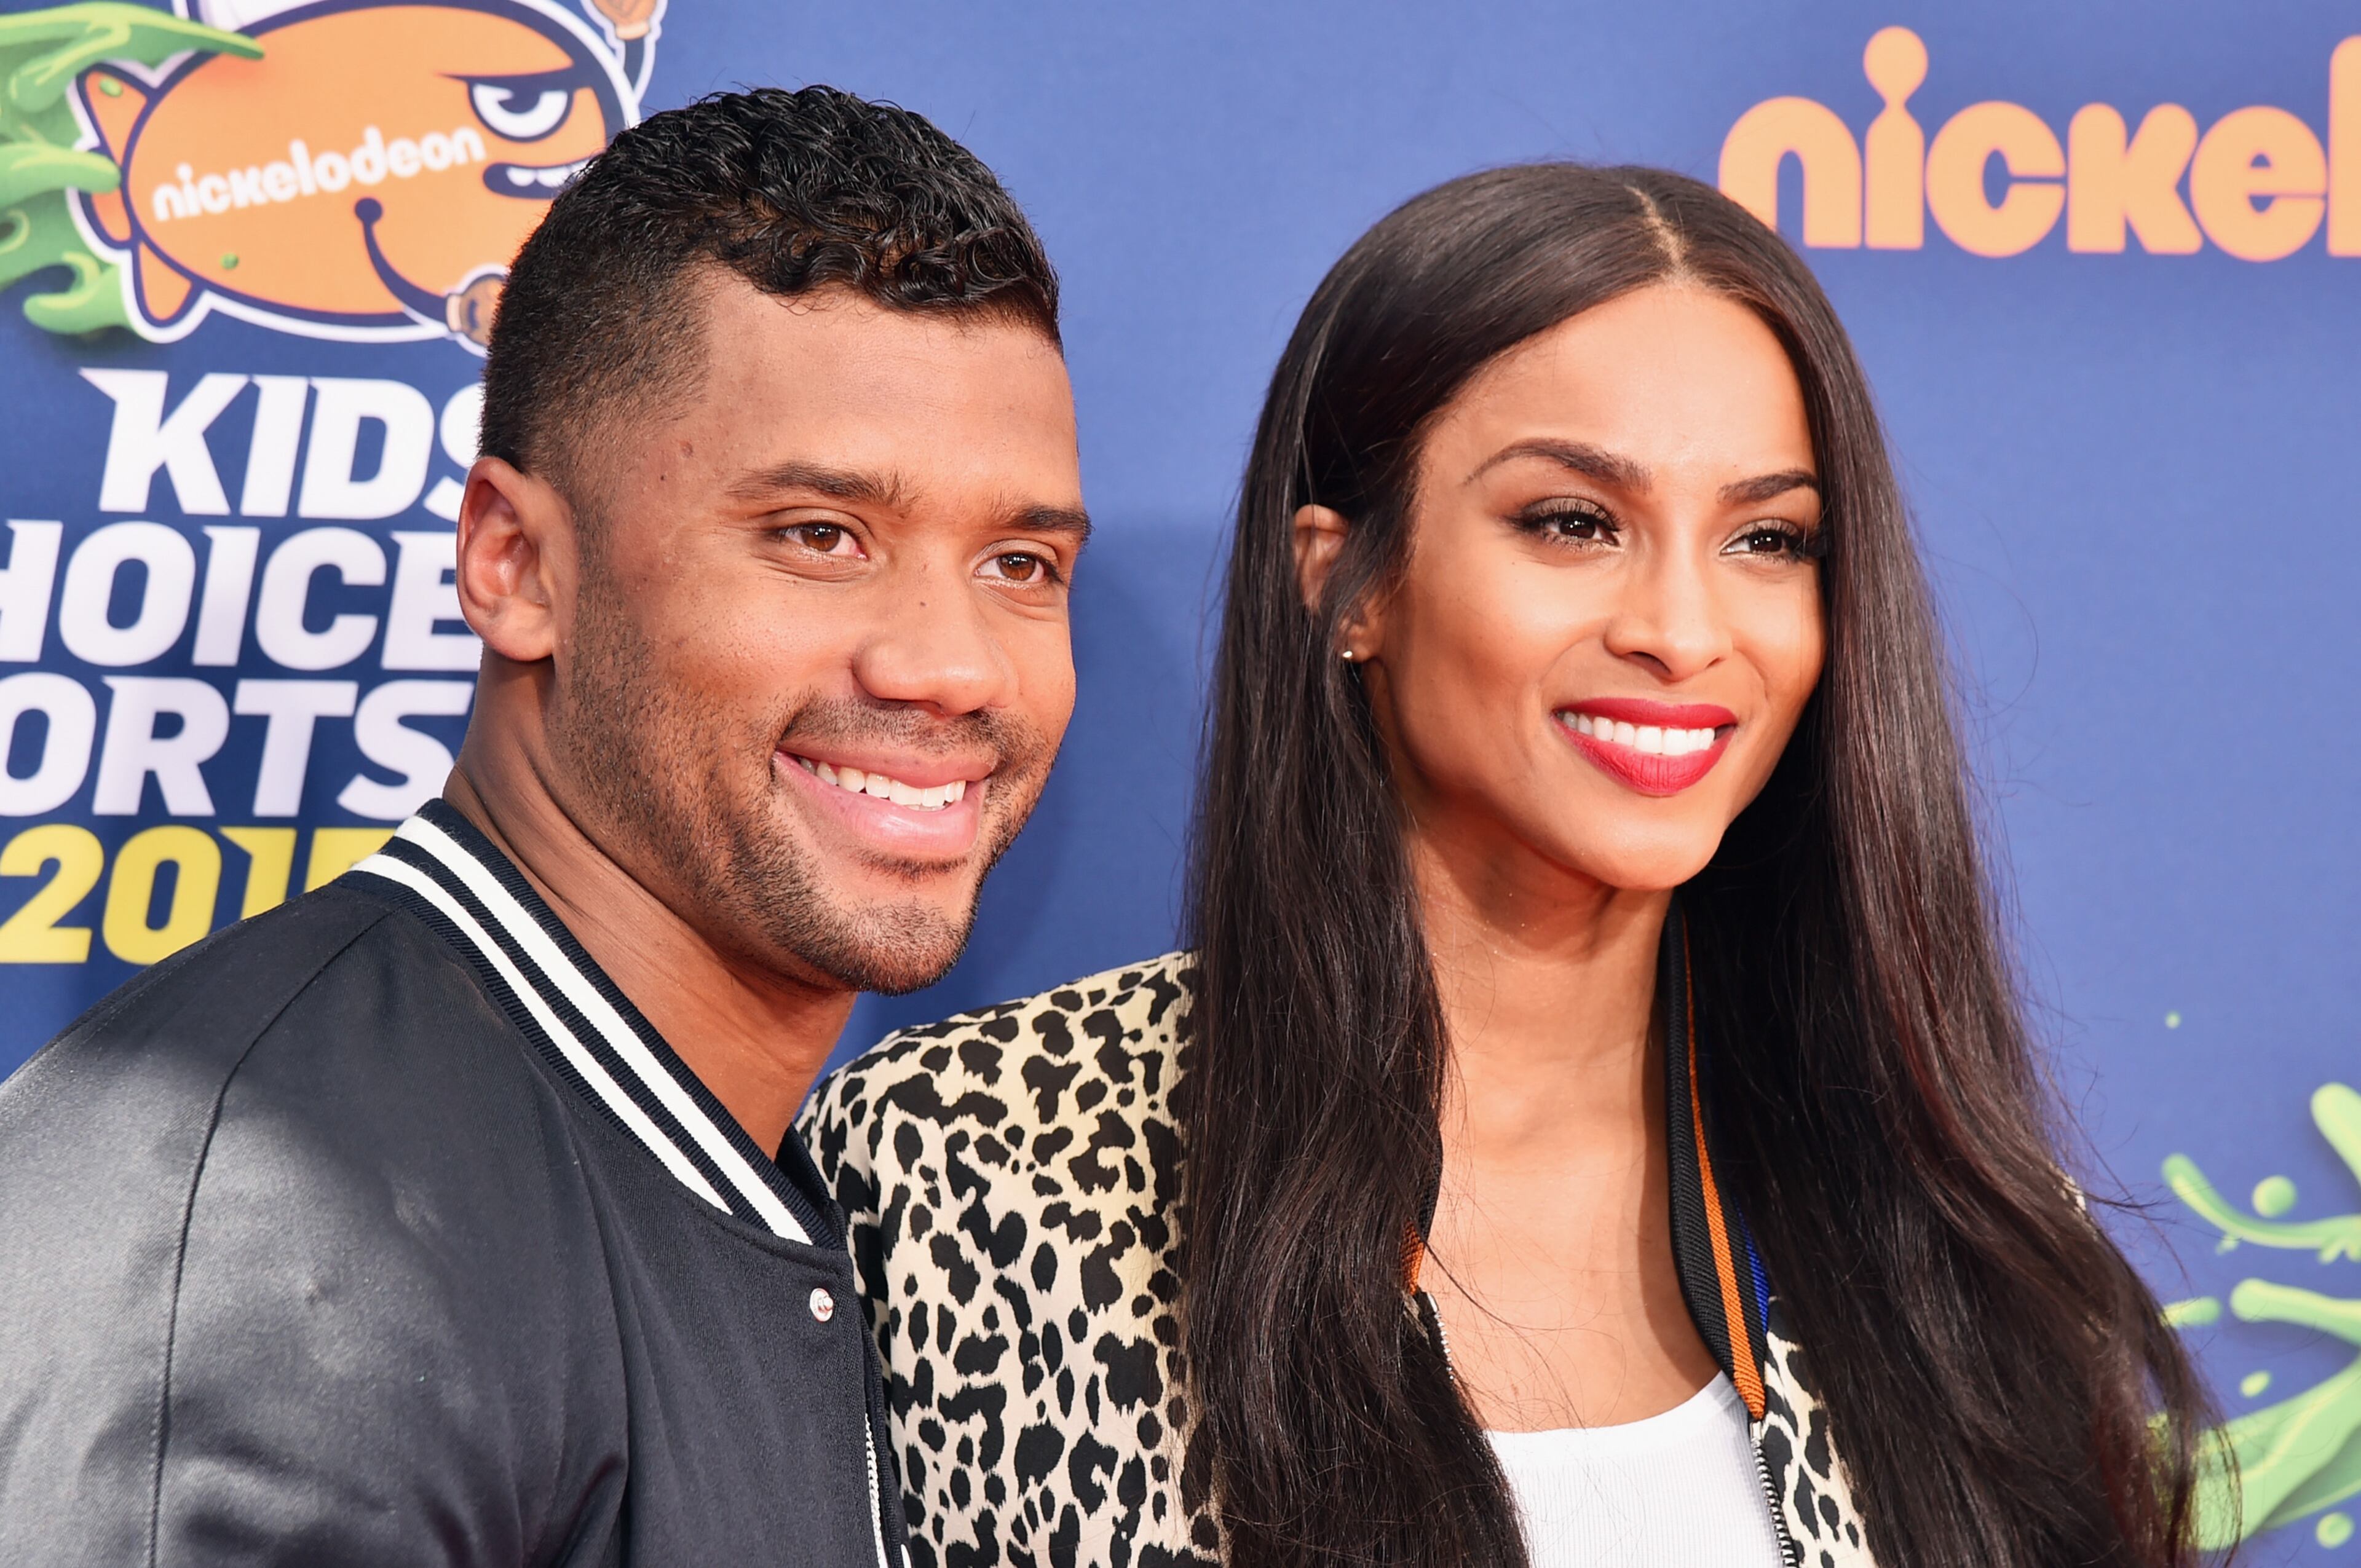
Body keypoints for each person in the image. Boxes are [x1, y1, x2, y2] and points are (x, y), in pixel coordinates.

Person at [802, 162, 2215, 1568]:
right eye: (1574, 522)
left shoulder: (1952, 1222)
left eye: (1767, 539)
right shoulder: (975, 1163)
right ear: (1347, 584)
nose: (1682, 625)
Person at [0, 86, 1088, 1566]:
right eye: (819, 537)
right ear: (516, 564)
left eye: (1022, 561)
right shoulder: (279, 1216)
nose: (952, 665)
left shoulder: (719, 1170)